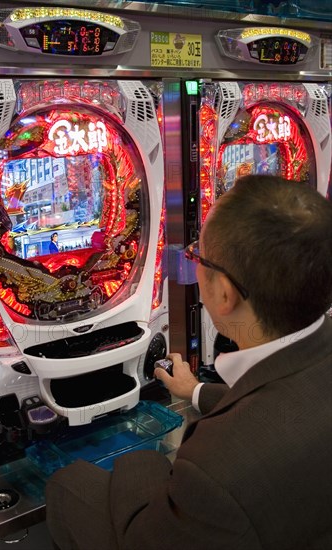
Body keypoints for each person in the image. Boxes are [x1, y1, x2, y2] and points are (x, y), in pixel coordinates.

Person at [46, 175, 332, 550]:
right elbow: (288, 400)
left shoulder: (216, 468)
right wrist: (195, 392)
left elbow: (144, 537)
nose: (192, 264)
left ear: (225, 293)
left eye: (196, 253)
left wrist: (144, 459)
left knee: (67, 484)